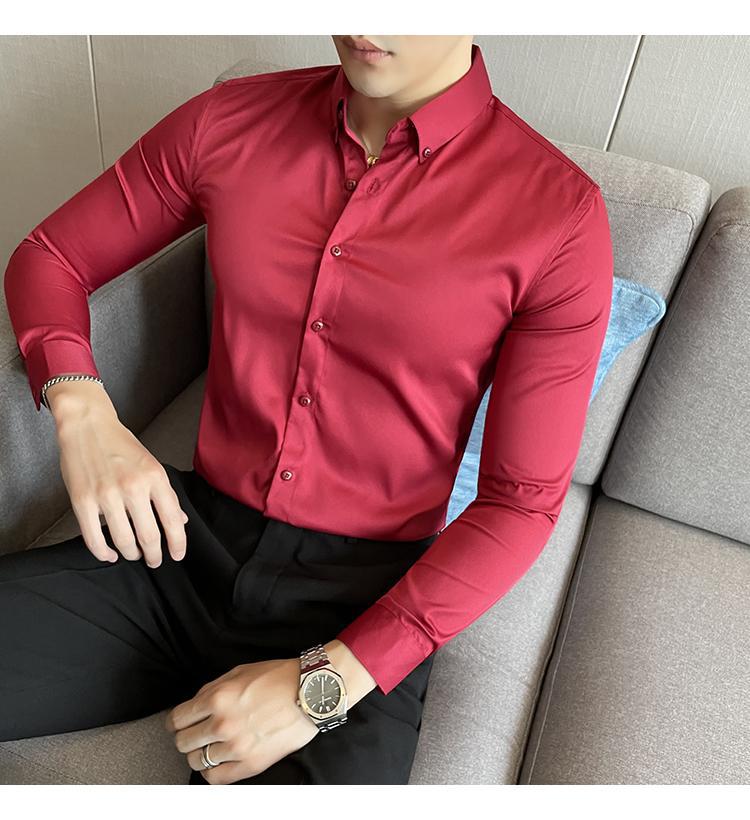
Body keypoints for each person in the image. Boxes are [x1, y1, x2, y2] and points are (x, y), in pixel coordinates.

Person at [1, 34, 613, 785]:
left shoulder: (559, 215)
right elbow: (51, 256)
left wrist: (323, 685)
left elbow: (519, 503)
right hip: (178, 545)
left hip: (363, 604)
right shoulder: (228, 121)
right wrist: (83, 412)